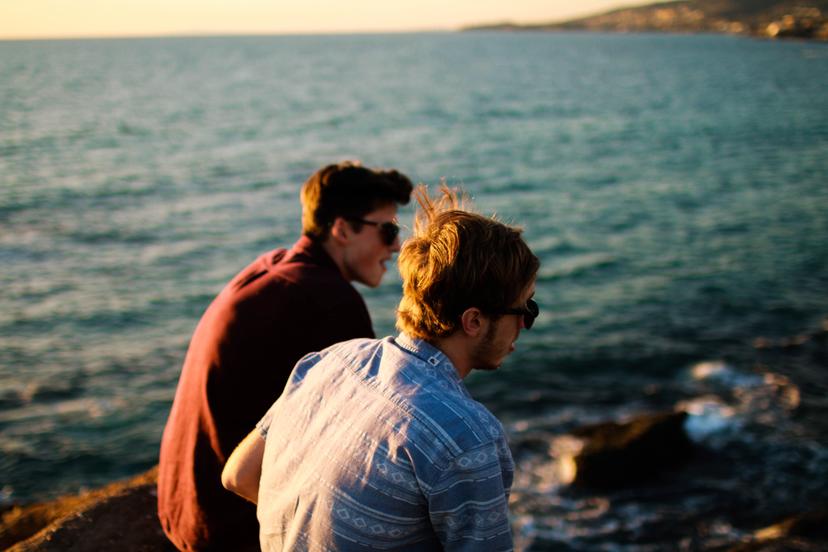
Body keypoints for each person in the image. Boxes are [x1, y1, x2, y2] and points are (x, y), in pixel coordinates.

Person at [222, 185, 540, 551]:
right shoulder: (467, 437)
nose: (526, 324)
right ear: (473, 321)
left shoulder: (330, 361)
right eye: (525, 309)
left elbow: (238, 475)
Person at [157, 162, 413, 551]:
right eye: (388, 230)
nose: (396, 246)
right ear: (342, 229)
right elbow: (363, 443)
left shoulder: (272, 267)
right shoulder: (329, 301)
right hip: (231, 525)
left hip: (184, 507)